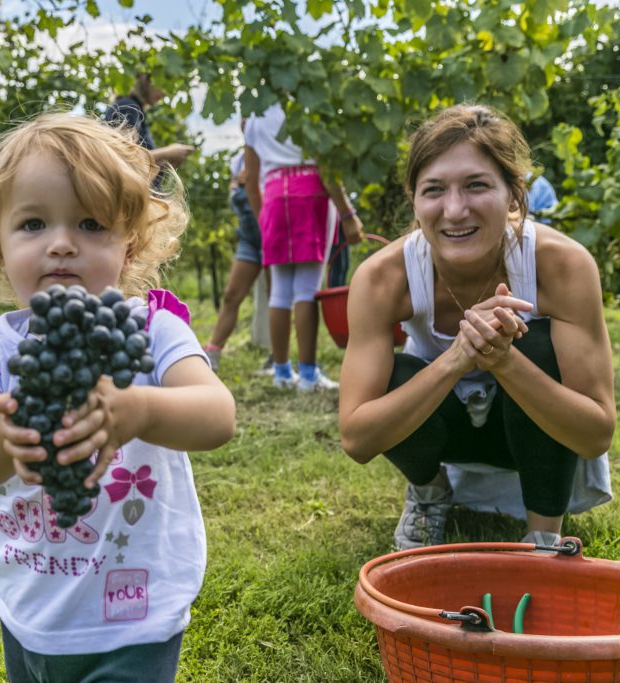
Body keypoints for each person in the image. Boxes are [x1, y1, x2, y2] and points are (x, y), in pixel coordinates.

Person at [0, 113, 236, 682]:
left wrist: (141, 409)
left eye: (90, 225)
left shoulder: (152, 330)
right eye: (32, 224)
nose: (61, 244)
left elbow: (217, 416)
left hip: (136, 613)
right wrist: (8, 435)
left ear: (130, 247)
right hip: (31, 607)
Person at [338, 104, 615, 550]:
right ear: (414, 199)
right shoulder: (381, 278)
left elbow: (595, 433)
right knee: (393, 376)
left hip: (534, 433)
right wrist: (458, 357)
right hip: (444, 433)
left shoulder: (563, 265)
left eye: (476, 185)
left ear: (513, 194)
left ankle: (543, 535)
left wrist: (503, 360)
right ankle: (430, 493)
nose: (454, 209)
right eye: (434, 190)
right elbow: (356, 437)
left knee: (536, 345)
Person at [243, 102, 364, 391]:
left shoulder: (254, 118)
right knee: (307, 290)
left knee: (280, 292)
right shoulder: (307, 107)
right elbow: (326, 167)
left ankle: (282, 373)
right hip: (310, 195)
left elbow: (250, 178)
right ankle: (308, 375)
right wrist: (348, 214)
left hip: (272, 197)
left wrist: (264, 218)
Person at [202, 142, 266, 372]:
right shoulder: (239, 160)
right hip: (249, 238)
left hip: (272, 235)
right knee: (231, 295)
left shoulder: (272, 153)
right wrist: (236, 184)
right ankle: (213, 353)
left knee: (279, 298)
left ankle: (280, 361)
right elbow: (233, 191)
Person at [103, 72, 196, 171]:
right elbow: (122, 159)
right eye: (162, 85)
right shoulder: (128, 107)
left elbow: (140, 164)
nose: (164, 93)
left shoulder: (136, 111)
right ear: (146, 81)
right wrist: (167, 153)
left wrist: (166, 162)